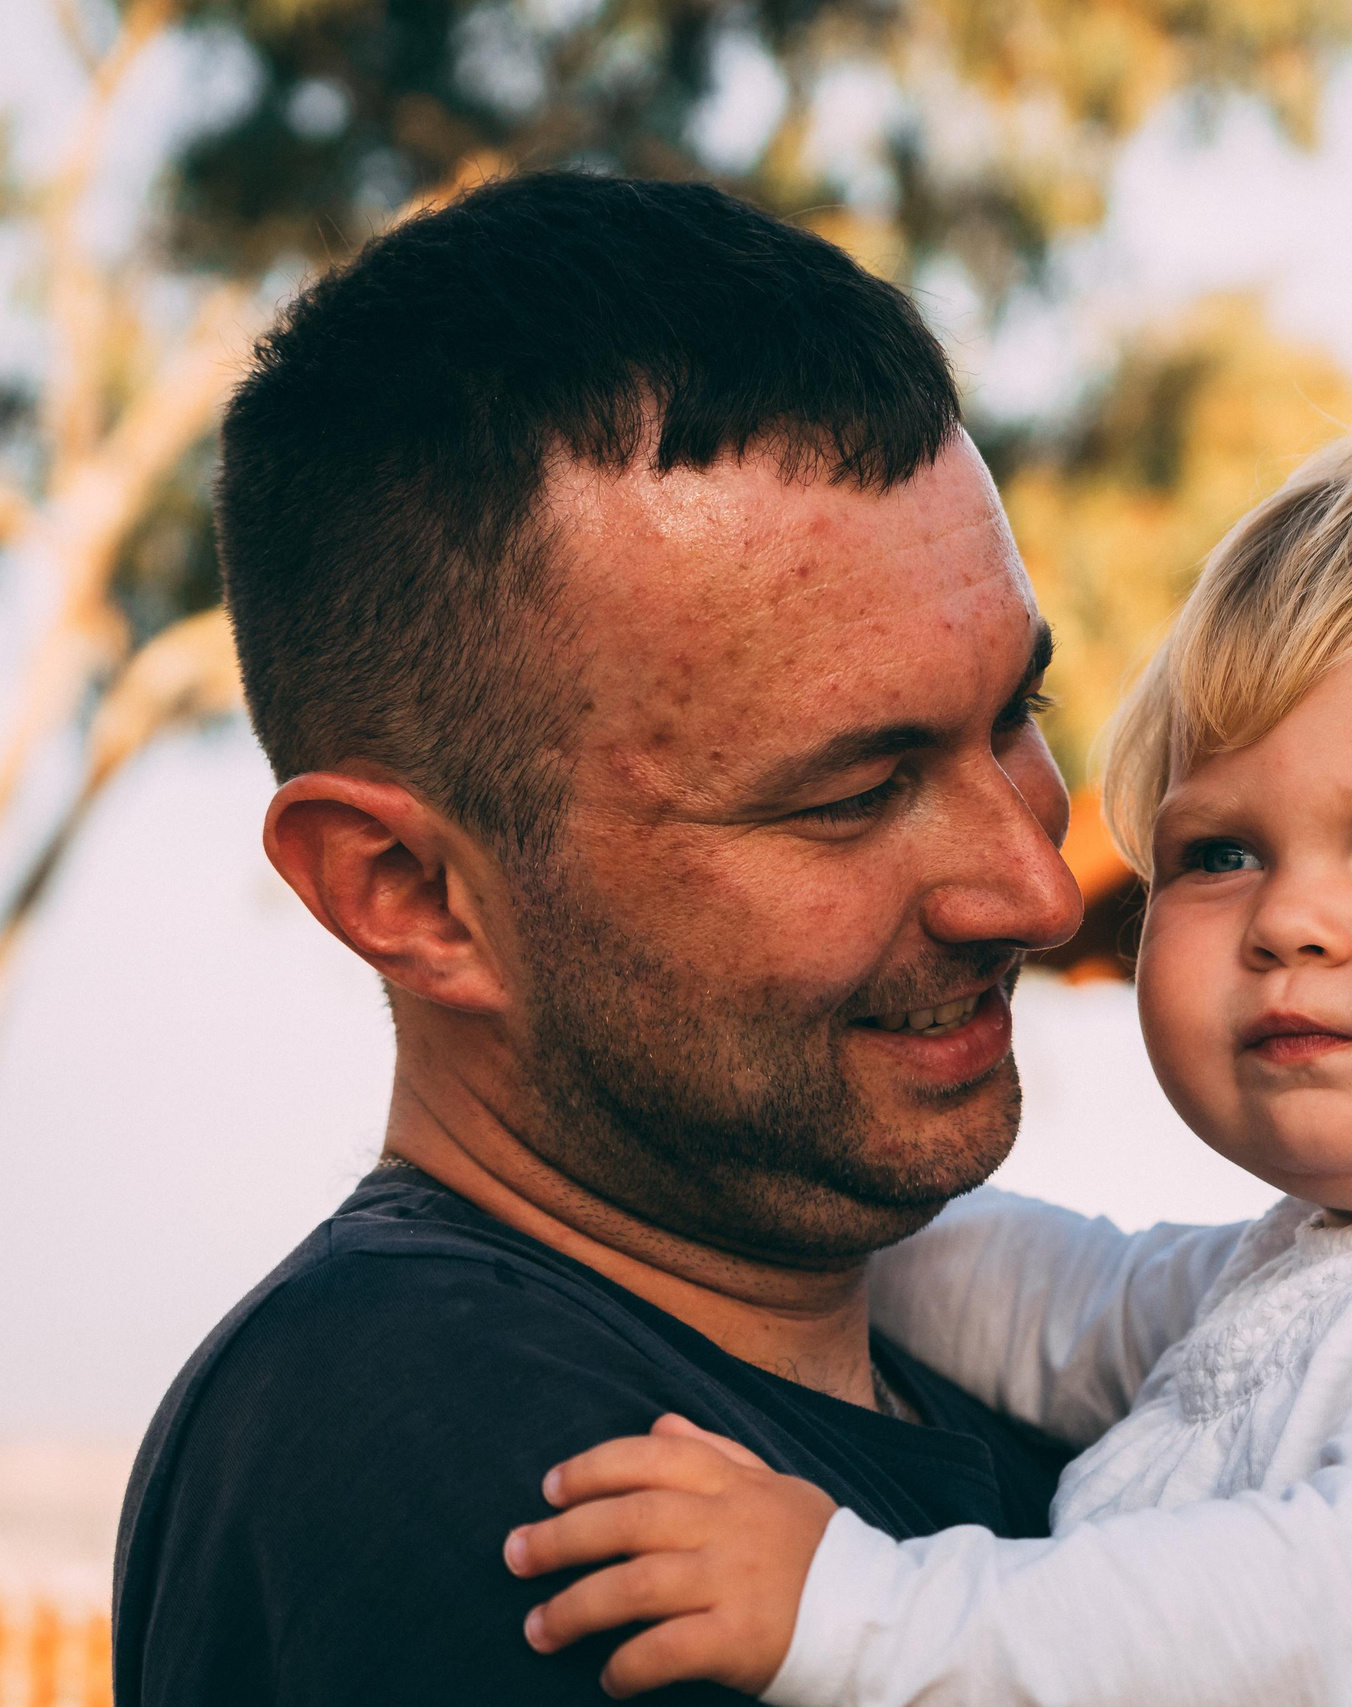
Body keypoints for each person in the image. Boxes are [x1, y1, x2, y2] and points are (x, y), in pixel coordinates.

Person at [507, 430, 1352, 1705]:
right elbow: (1045, 1303)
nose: (1289, 919)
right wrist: (705, 1179)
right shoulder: (1324, 1263)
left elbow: (1348, 1622)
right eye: (1218, 854)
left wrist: (860, 1614)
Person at [112, 171, 1089, 1705]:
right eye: (851, 793)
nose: (1033, 887)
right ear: (406, 892)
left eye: (1014, 717)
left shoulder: (1040, 1381)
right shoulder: (461, 1460)